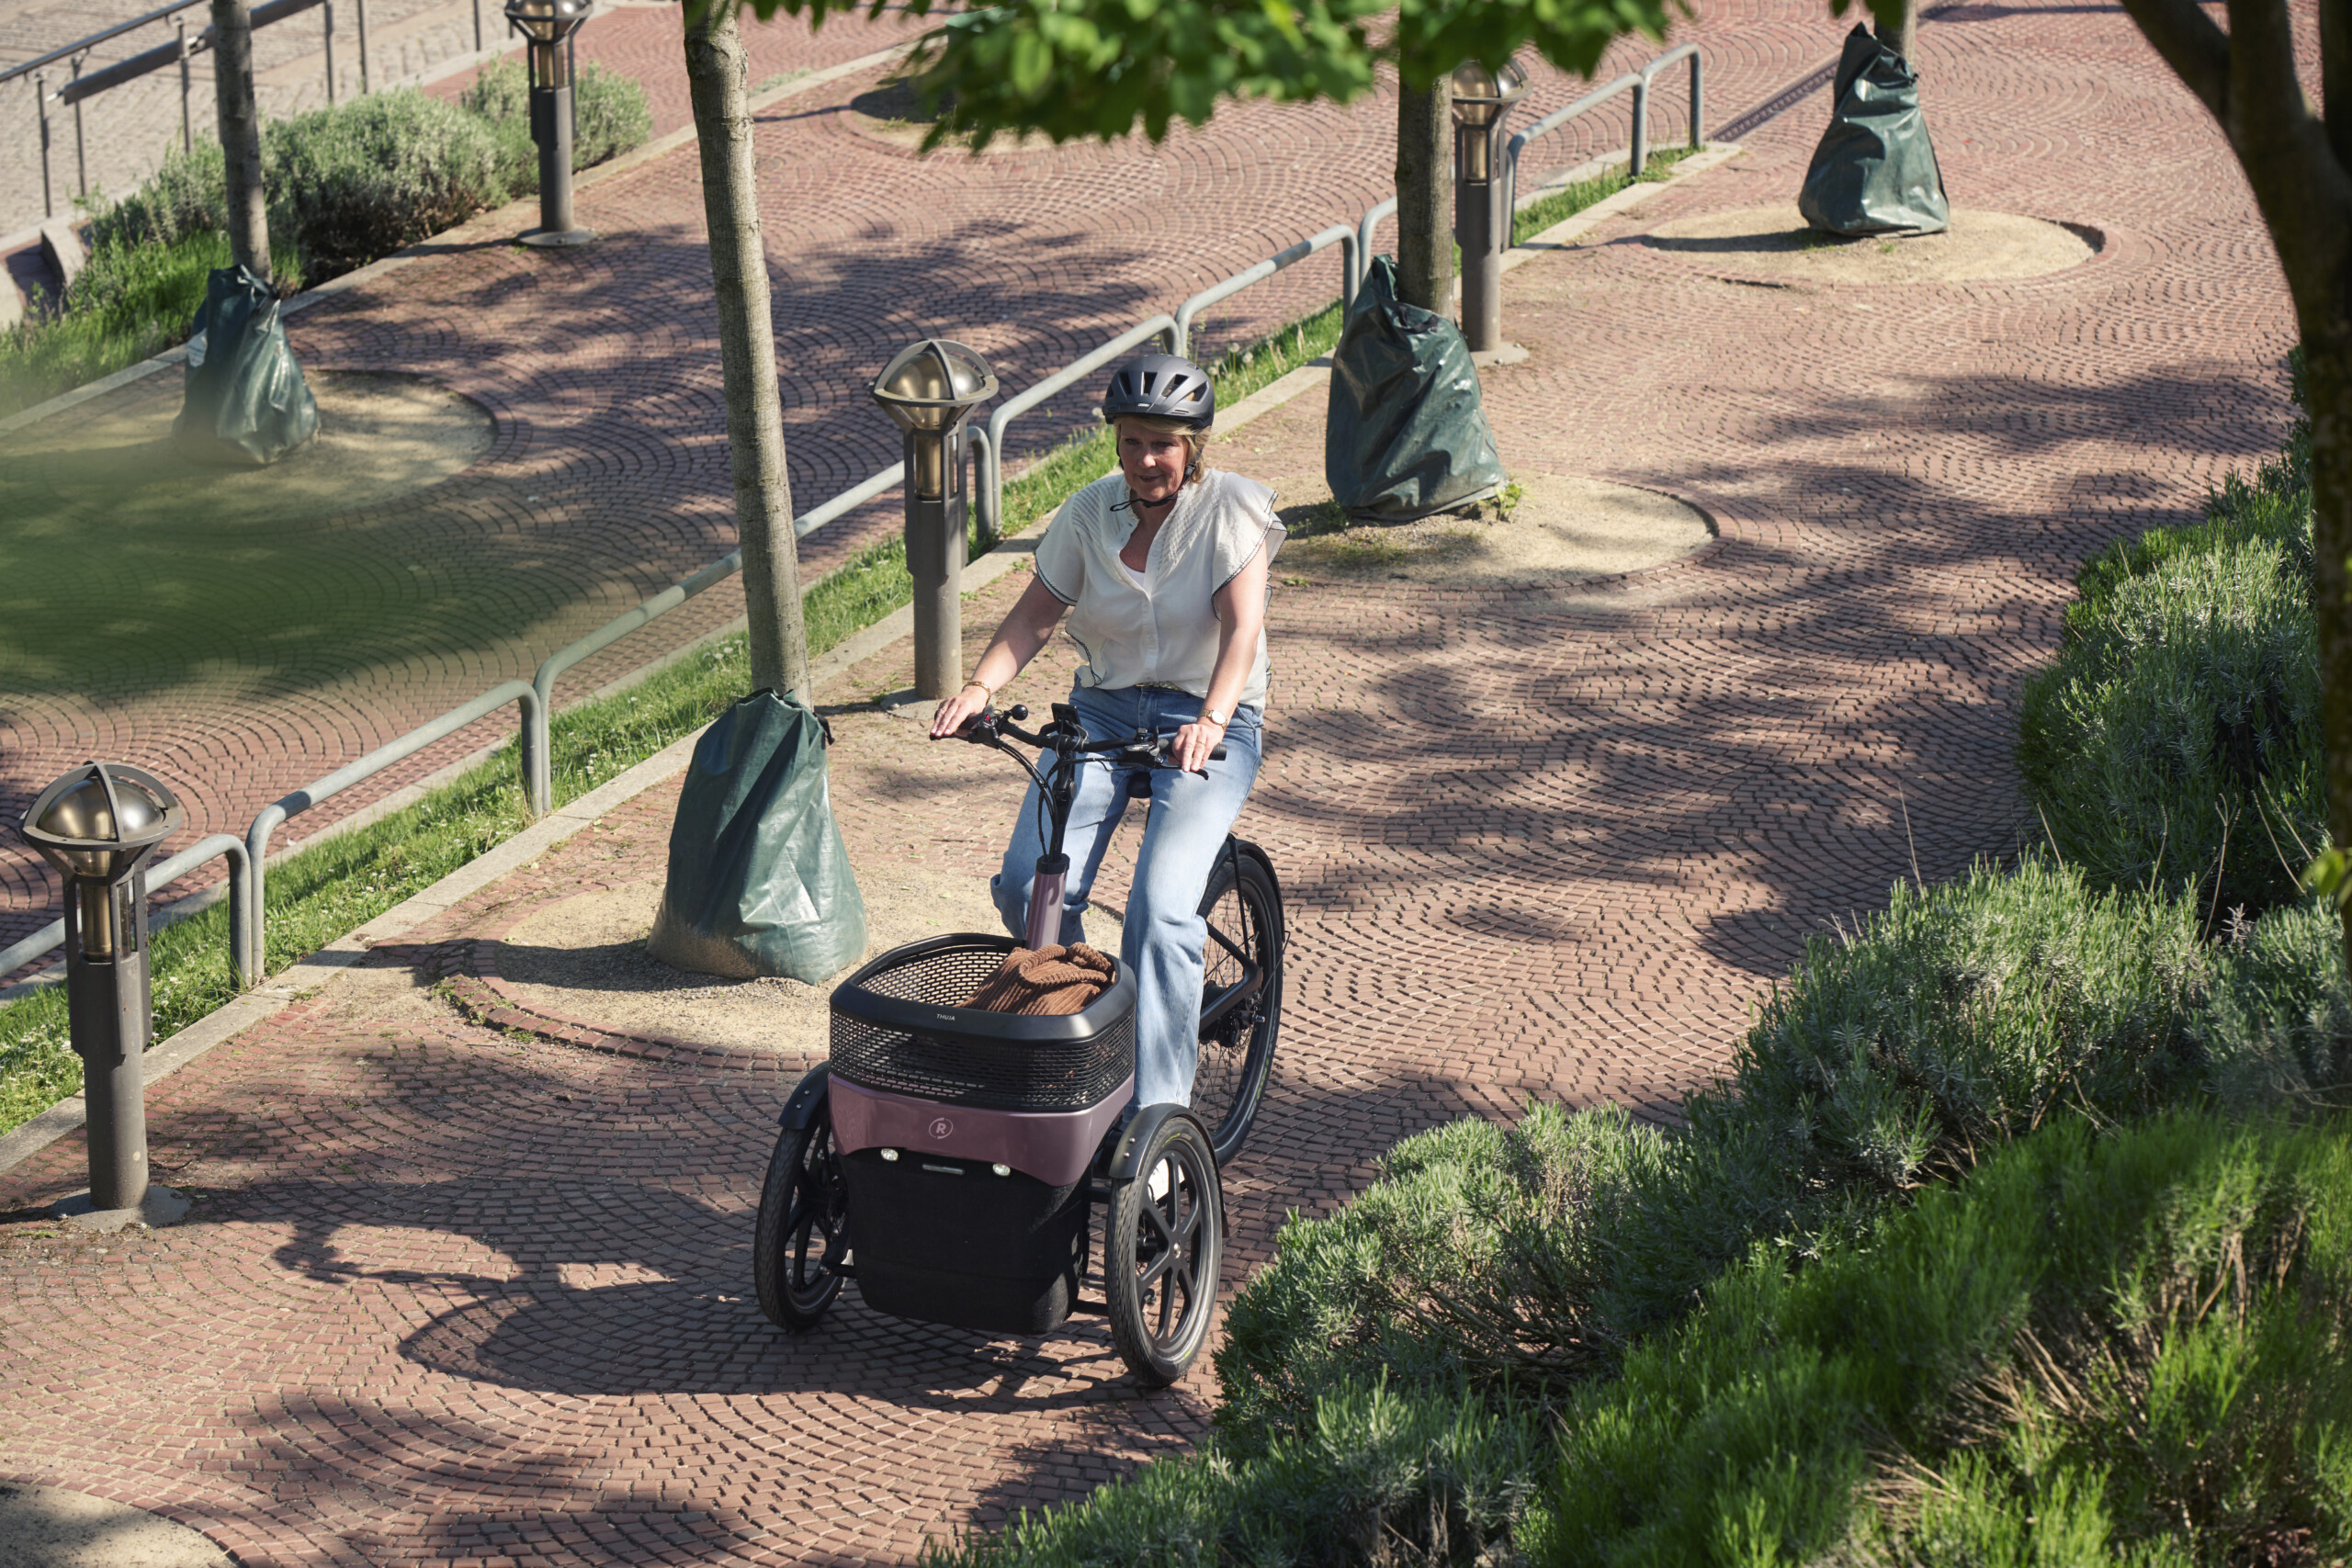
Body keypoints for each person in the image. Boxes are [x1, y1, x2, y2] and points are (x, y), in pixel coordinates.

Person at [930, 352, 1284, 1110]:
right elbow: (1033, 615)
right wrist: (978, 687)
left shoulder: (1232, 510)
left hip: (1206, 720)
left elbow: (1242, 631)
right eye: (1131, 441)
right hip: (1103, 712)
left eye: (1163, 443)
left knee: (1160, 912)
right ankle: (1098, 1014)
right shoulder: (1089, 513)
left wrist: (1212, 721)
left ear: (1194, 447)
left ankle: (1158, 1121)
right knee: (1032, 886)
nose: (1146, 460)